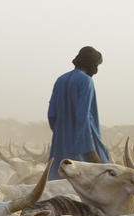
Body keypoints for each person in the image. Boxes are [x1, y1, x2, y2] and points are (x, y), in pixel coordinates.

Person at [47, 46, 111, 179]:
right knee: (105, 178)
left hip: (59, 143)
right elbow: (83, 116)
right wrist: (90, 150)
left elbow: (51, 114)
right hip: (82, 146)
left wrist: (61, 133)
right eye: (96, 65)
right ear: (91, 64)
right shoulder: (86, 81)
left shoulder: (60, 80)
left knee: (55, 180)